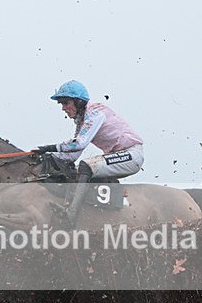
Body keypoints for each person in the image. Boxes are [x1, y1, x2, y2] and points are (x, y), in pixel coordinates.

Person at [35, 80, 144, 227]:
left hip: (131, 155)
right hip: (118, 155)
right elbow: (73, 155)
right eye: (61, 104)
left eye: (66, 103)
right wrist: (47, 157)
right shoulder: (82, 121)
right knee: (78, 168)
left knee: (86, 166)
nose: (63, 108)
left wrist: (49, 147)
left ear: (79, 102)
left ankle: (71, 214)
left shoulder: (95, 113)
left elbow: (79, 143)